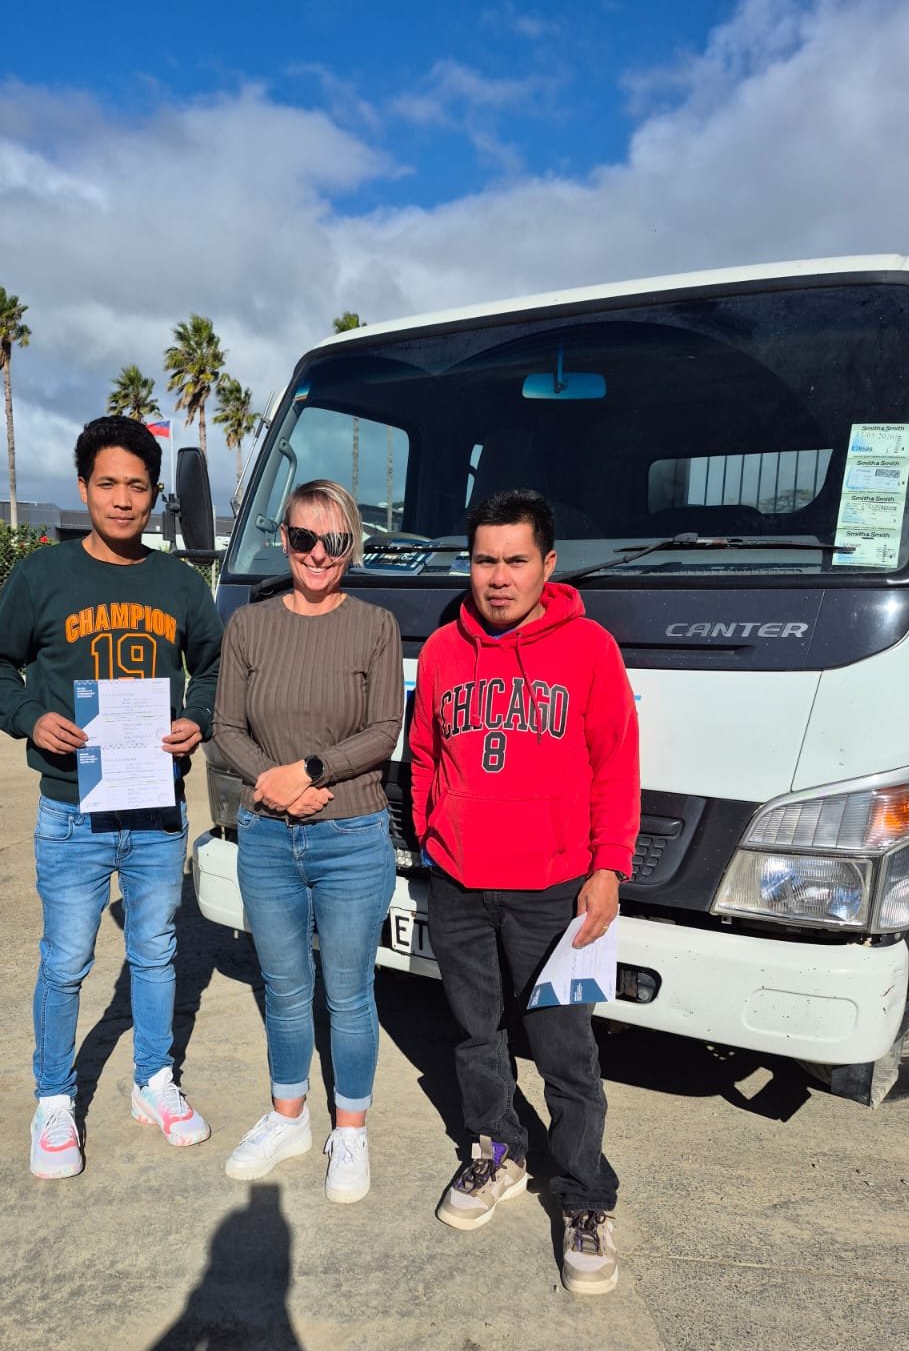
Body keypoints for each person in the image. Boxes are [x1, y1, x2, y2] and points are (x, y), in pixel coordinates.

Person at [0, 415, 223, 1180]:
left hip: (153, 811)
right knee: (67, 960)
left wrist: (196, 720)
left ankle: (153, 1083)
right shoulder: (42, 576)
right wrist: (29, 718)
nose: (122, 500)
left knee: (154, 955)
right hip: (71, 809)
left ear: (155, 498)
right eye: (107, 483)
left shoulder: (179, 583)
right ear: (84, 489)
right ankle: (54, 1099)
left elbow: (213, 666)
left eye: (137, 487)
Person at [408, 488, 639, 1294]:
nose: (497, 578)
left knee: (566, 1054)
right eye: (483, 561)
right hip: (462, 883)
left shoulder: (590, 649)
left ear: (548, 564)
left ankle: (583, 1199)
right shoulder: (441, 651)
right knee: (475, 1037)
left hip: (554, 892)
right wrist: (436, 836)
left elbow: (615, 766)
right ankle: (497, 1154)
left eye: (514, 561)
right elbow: (426, 755)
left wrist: (607, 868)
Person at [212, 479, 403, 1204]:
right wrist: (275, 785)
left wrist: (312, 771)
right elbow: (227, 727)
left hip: (352, 835)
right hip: (267, 836)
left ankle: (348, 1129)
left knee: (349, 993)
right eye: (303, 538)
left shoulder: (375, 625)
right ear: (283, 539)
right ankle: (288, 1115)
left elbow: (385, 728)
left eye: (335, 540)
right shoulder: (251, 627)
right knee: (286, 990)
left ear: (352, 546)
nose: (318, 554)